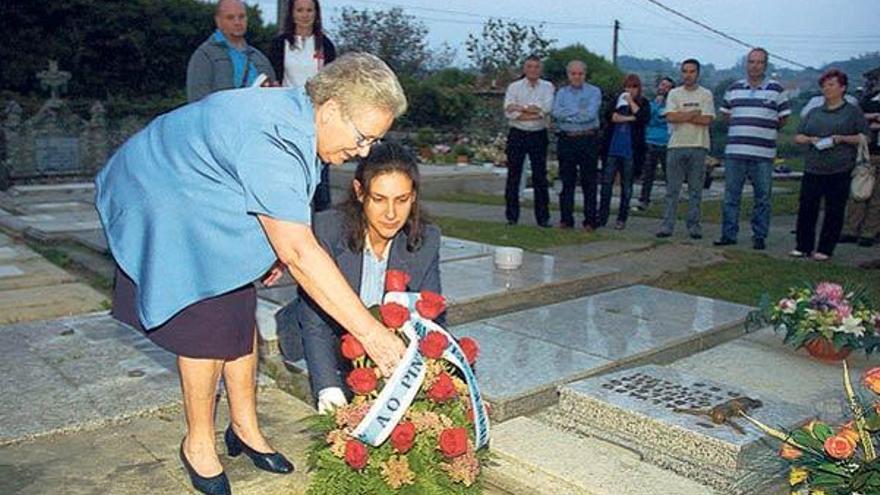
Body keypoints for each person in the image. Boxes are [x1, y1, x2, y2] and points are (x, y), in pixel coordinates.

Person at [95, 53, 407, 495]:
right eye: (362, 138)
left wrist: (269, 246)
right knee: (206, 324)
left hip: (201, 189)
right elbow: (300, 250)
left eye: (373, 142)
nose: (362, 152)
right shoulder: (275, 137)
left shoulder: (304, 117)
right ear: (333, 107)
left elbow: (281, 209)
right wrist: (374, 336)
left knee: (238, 313)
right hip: (164, 196)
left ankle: (244, 428)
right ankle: (197, 442)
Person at [290, 142, 442, 413]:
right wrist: (328, 387)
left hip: (387, 351)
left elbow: (430, 317)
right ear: (360, 192)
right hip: (334, 343)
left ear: (414, 196)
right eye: (379, 199)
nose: (392, 214)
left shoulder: (426, 240)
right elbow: (315, 321)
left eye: (402, 199)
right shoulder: (326, 229)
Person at [715, 48, 791, 251]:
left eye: (759, 62)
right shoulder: (734, 88)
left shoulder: (776, 90)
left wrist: (761, 128)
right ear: (746, 64)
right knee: (731, 196)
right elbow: (725, 114)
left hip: (763, 154)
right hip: (736, 152)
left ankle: (759, 236)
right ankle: (728, 234)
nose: (754, 65)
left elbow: (783, 118)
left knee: (763, 197)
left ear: (765, 65)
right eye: (751, 61)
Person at [791, 69, 869, 261]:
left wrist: (842, 138)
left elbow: (865, 136)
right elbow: (798, 135)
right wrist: (810, 139)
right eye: (824, 85)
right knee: (807, 208)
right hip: (813, 167)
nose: (827, 89)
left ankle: (825, 248)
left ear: (842, 88)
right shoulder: (814, 112)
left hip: (839, 168)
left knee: (834, 210)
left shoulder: (852, 112)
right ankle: (803, 246)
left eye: (831, 85)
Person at [270, 0, 337, 212]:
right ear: (292, 13)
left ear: (316, 14)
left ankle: (324, 233)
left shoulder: (325, 45)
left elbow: (333, 83)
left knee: (321, 185)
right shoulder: (280, 44)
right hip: (288, 118)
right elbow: (273, 81)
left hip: (318, 121)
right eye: (300, 10)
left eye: (309, 10)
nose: (305, 15)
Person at [656, 59, 715, 239]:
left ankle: (694, 225)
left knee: (695, 190)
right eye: (685, 71)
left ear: (697, 74)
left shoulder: (706, 94)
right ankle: (667, 225)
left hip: (698, 145)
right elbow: (670, 117)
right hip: (676, 145)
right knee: (672, 189)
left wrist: (682, 116)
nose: (688, 75)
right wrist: (691, 114)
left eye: (692, 71)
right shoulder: (674, 93)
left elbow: (707, 119)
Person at [186, 0, 276, 103]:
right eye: (230, 17)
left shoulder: (260, 58)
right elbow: (197, 103)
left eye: (241, 17)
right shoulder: (205, 55)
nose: (237, 22)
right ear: (218, 21)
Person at [503, 55, 555, 227]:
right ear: (524, 69)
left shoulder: (548, 87)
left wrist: (521, 109)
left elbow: (545, 110)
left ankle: (543, 218)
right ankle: (512, 217)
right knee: (514, 176)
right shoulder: (514, 87)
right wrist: (531, 111)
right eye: (530, 67)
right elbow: (509, 112)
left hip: (538, 135)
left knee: (540, 177)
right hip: (517, 134)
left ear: (541, 69)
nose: (533, 70)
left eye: (537, 67)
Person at [551, 60, 602, 230]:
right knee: (567, 182)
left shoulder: (594, 92)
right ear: (568, 75)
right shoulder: (561, 93)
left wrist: (568, 114)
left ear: (585, 74)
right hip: (566, 140)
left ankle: (590, 220)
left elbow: (590, 115)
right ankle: (566, 219)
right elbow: (556, 113)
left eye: (580, 73)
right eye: (573, 73)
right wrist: (577, 113)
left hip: (588, 139)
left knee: (589, 182)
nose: (577, 77)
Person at [599, 73, 650, 230]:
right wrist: (629, 118)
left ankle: (622, 218)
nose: (630, 90)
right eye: (627, 87)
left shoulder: (643, 103)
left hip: (631, 151)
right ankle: (602, 216)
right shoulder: (615, 101)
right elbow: (610, 117)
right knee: (606, 184)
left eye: (634, 87)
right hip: (613, 148)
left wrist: (631, 103)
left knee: (627, 187)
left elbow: (642, 117)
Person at [840, 97, 880, 247]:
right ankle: (851, 229)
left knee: (877, 197)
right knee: (858, 192)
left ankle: (869, 232)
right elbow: (855, 120)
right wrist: (873, 119)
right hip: (867, 154)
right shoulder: (868, 101)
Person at [636, 76, 674, 211]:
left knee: (669, 174)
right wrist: (657, 110)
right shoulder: (650, 103)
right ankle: (643, 200)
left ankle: (671, 201)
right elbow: (649, 119)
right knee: (648, 174)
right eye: (663, 85)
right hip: (650, 141)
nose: (664, 88)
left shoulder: (672, 105)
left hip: (666, 143)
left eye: (668, 87)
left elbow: (668, 119)